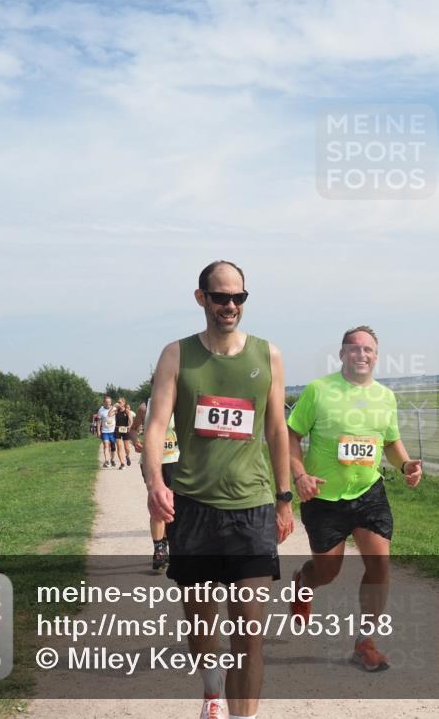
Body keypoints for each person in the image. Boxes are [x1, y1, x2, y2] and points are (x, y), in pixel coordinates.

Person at [144, 260, 293, 719]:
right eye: (220, 297)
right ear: (201, 298)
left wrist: (284, 499)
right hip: (194, 509)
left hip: (251, 509)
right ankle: (211, 691)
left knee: (249, 630)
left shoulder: (268, 355)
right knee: (202, 622)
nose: (230, 305)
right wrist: (154, 480)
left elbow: (276, 431)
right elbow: (155, 425)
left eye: (238, 298)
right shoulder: (177, 355)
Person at [286, 325, 422, 672]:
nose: (362, 354)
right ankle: (304, 582)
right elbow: (290, 435)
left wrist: (405, 464)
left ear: (376, 356)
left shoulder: (385, 397)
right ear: (342, 353)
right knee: (328, 570)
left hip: (369, 492)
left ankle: (365, 642)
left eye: (369, 350)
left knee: (379, 563)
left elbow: (390, 442)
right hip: (323, 495)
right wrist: (299, 476)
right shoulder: (319, 391)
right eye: (354, 348)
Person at [131, 380, 180, 571]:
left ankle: (170, 544)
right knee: (158, 503)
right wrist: (135, 441)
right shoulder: (145, 407)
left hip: (174, 459)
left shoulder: (179, 405)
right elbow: (133, 430)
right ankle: (159, 549)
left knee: (174, 504)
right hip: (151, 462)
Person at [96, 395, 117, 468]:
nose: (108, 403)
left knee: (113, 447)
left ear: (111, 402)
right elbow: (98, 422)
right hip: (105, 431)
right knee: (106, 445)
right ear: (104, 402)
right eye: (106, 402)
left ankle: (112, 460)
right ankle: (107, 461)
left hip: (113, 431)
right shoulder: (101, 410)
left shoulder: (114, 409)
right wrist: (98, 431)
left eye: (109, 402)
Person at [114, 397, 134, 468]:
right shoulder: (116, 411)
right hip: (117, 429)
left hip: (125, 429)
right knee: (119, 446)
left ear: (124, 403)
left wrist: (129, 426)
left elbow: (131, 420)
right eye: (118, 402)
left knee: (127, 448)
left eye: (120, 402)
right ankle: (122, 463)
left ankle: (127, 456)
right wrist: (113, 407)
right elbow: (109, 415)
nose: (118, 404)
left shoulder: (127, 411)